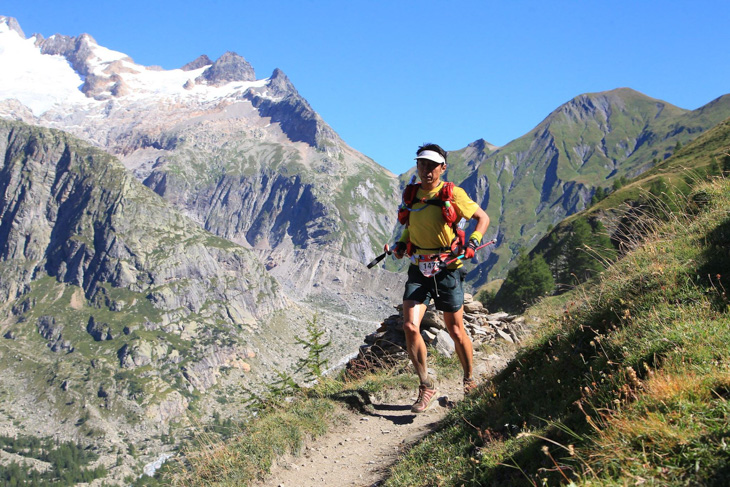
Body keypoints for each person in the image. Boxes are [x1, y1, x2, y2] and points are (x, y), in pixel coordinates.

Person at [393, 143, 490, 413]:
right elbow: (410, 228)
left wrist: (473, 242)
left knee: (456, 330)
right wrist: (401, 245)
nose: (426, 170)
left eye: (432, 165)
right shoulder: (411, 194)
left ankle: (469, 380)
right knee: (410, 326)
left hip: (447, 267)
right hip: (419, 267)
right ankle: (426, 386)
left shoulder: (453, 194)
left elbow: (482, 218)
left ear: (442, 168)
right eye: (422, 164)